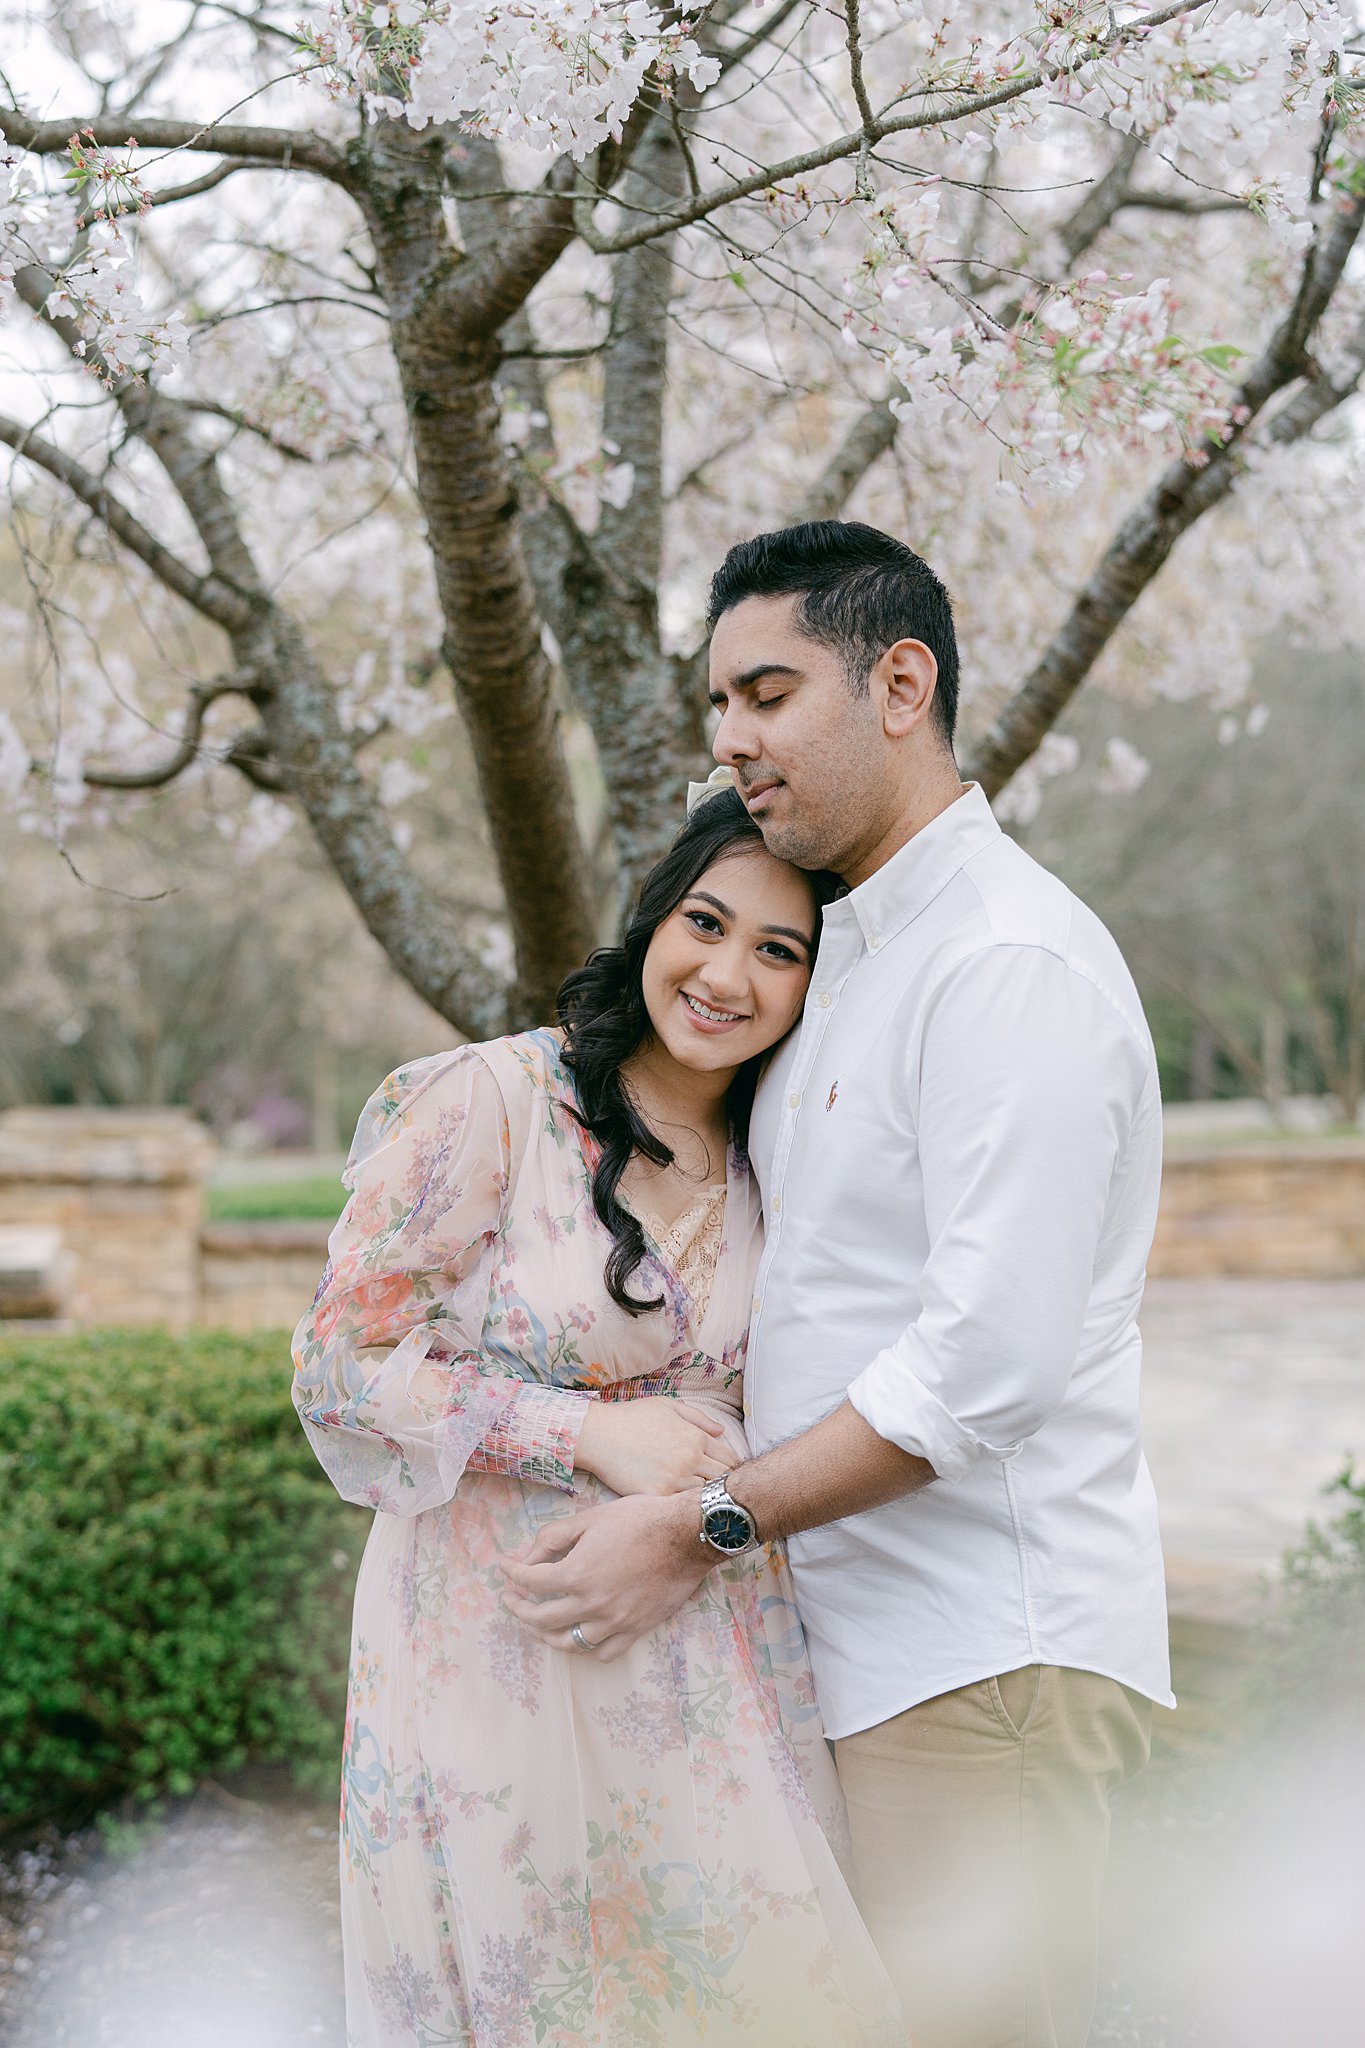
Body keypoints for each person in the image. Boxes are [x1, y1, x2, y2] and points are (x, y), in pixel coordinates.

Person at [503, 519, 1173, 2048]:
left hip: (979, 1664)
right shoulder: (848, 955)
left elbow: (987, 1367)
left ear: (899, 682)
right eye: (718, 705)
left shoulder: (1007, 966)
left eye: (766, 692)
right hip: (843, 1650)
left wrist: (703, 1527)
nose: (731, 741)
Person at [291, 788, 900, 2048]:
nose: (728, 973)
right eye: (707, 922)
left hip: (706, 1641)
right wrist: (582, 1431)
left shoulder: (776, 1153)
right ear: (653, 919)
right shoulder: (496, 1103)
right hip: (495, 1640)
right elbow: (337, 1362)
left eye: (778, 951)